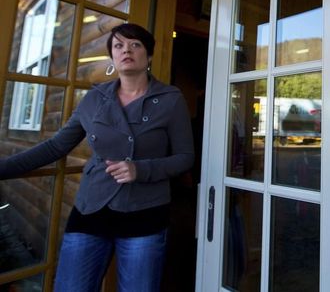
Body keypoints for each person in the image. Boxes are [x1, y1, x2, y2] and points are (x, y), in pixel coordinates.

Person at [0, 23, 194, 292]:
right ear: (112, 57)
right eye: (118, 46)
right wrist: (3, 168)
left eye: (135, 45)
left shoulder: (171, 99)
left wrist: (141, 169)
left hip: (145, 214)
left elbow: (185, 157)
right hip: (91, 211)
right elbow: (56, 146)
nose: (126, 50)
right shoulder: (94, 98)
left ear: (148, 56)